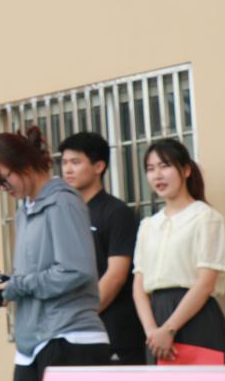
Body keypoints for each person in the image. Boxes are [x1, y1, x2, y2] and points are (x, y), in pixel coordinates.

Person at [0, 126, 110, 381]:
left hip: (70, 339)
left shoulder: (63, 201)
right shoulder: (24, 209)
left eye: (4, 179)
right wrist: (4, 287)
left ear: (25, 165)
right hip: (32, 344)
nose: (3, 188)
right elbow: (36, 273)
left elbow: (75, 271)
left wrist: (18, 285)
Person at [131, 138, 225, 364]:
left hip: (196, 318)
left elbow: (205, 283)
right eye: (150, 169)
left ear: (186, 170)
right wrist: (152, 332)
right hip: (155, 323)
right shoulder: (148, 225)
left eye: (164, 166)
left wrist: (169, 329)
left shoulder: (206, 218)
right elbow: (139, 287)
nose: (157, 175)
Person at [59, 132, 146, 364]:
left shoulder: (117, 212)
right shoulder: (63, 214)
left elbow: (116, 276)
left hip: (114, 333)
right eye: (64, 163)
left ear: (99, 166)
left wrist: (81, 315)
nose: (68, 169)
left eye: (76, 162)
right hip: (72, 334)